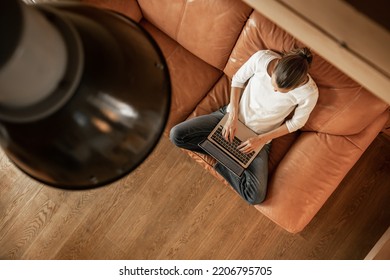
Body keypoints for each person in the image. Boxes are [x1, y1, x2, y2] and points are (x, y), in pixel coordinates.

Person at [170, 47, 319, 205]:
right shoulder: (262, 58)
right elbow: (238, 80)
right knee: (177, 135)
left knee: (255, 196)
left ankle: (219, 155)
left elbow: (296, 123)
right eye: (273, 84)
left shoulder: (309, 93)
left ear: (296, 87)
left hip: (258, 139)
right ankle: (228, 157)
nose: (274, 90)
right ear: (277, 65)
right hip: (229, 118)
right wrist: (232, 116)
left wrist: (261, 140)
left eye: (281, 91)